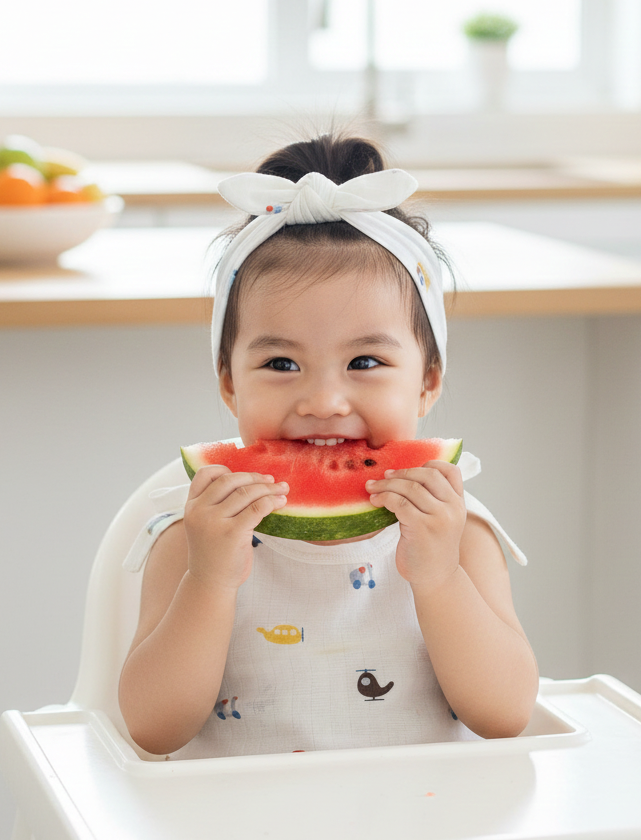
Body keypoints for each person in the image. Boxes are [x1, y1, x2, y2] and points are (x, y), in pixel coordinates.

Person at [118, 133, 538, 759]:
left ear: (427, 381)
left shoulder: (462, 534)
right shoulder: (190, 536)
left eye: (364, 360)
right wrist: (208, 581)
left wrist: (441, 577)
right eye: (282, 363)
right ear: (230, 382)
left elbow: (506, 714)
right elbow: (152, 729)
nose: (323, 401)